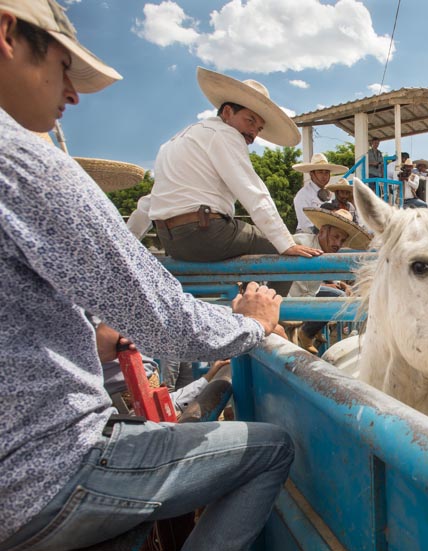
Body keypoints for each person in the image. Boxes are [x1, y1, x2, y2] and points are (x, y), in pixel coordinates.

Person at [0, 2, 294, 550]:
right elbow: (163, 319)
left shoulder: (173, 143)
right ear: (7, 35)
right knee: (272, 448)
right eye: (65, 68)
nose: (74, 94)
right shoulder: (25, 161)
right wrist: (254, 322)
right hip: (44, 475)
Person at [148, 66, 321, 297]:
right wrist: (286, 243)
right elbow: (253, 192)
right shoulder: (225, 134)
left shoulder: (175, 141)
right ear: (227, 112)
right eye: (250, 121)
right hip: (205, 234)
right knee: (280, 255)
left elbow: (148, 201)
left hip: (170, 241)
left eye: (258, 128)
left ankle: (244, 299)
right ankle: (274, 315)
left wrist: (130, 240)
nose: (253, 134)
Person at [289, 207, 371, 353]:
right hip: (290, 300)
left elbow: (323, 273)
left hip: (309, 294)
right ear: (322, 232)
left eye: (342, 240)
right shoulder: (300, 242)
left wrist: (340, 283)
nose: (338, 244)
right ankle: (307, 332)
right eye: (335, 237)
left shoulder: (325, 252)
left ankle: (312, 330)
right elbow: (283, 246)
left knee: (339, 296)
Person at [292, 152, 348, 233]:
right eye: (320, 172)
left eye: (326, 172)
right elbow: (306, 225)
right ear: (312, 174)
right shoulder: (303, 194)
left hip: (326, 235)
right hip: (307, 235)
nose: (324, 176)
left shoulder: (330, 194)